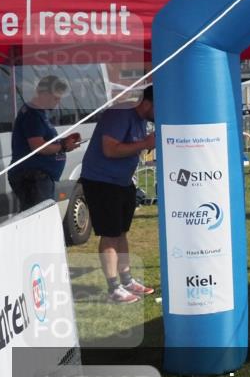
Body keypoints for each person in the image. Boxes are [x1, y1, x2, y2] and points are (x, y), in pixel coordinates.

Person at [79, 86, 156, 304]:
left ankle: (127, 279)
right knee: (110, 234)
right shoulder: (120, 114)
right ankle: (114, 287)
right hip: (101, 182)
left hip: (122, 182)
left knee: (121, 232)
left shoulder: (141, 120)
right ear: (148, 103)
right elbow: (110, 150)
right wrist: (145, 144)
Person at [9, 75, 82, 211]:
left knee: (38, 216)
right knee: (39, 217)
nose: (58, 102)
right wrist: (63, 146)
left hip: (38, 176)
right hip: (33, 176)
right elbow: (38, 146)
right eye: (55, 98)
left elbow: (43, 141)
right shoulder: (32, 114)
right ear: (43, 93)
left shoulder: (39, 113)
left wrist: (63, 141)